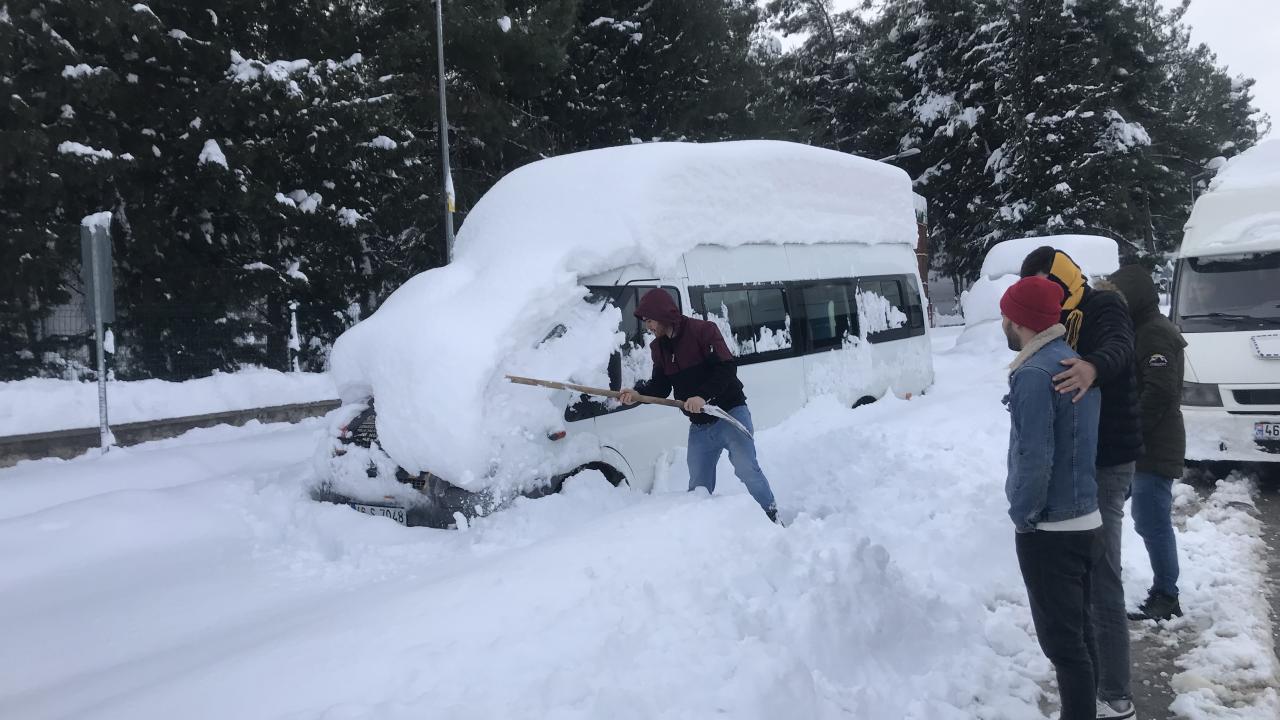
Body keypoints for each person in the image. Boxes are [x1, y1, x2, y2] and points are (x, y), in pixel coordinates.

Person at [1020, 247, 1141, 720]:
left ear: (1062, 280)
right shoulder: (1061, 317)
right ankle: (1091, 683)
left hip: (1107, 461)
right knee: (1083, 578)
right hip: (1080, 462)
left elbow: (1118, 348)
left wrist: (1092, 367)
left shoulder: (1101, 306)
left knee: (1103, 577)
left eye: (1044, 284)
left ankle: (1115, 695)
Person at [1001, 276, 1104, 720]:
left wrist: (1023, 516)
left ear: (1017, 319)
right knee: (1080, 636)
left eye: (1005, 315)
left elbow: (1035, 455)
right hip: (1086, 518)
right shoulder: (1074, 361)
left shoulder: (1034, 373)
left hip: (1052, 528)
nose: (1002, 321)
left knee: (1064, 647)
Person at [619, 289, 780, 523]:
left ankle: (772, 517)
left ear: (662, 315)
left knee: (747, 469)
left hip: (729, 414)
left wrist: (702, 396)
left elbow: (726, 367)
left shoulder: (703, 331)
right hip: (700, 426)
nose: (648, 327)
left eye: (650, 321)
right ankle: (703, 535)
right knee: (698, 486)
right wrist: (638, 394)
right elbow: (660, 387)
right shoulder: (659, 348)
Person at [1108, 265, 1186, 621]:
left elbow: (1159, 390)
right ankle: (1163, 590)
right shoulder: (1143, 328)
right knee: (1144, 517)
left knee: (1152, 519)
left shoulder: (1154, 333)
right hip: (1146, 441)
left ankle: (1167, 595)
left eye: (1120, 298)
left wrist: (1132, 427)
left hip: (1155, 443)